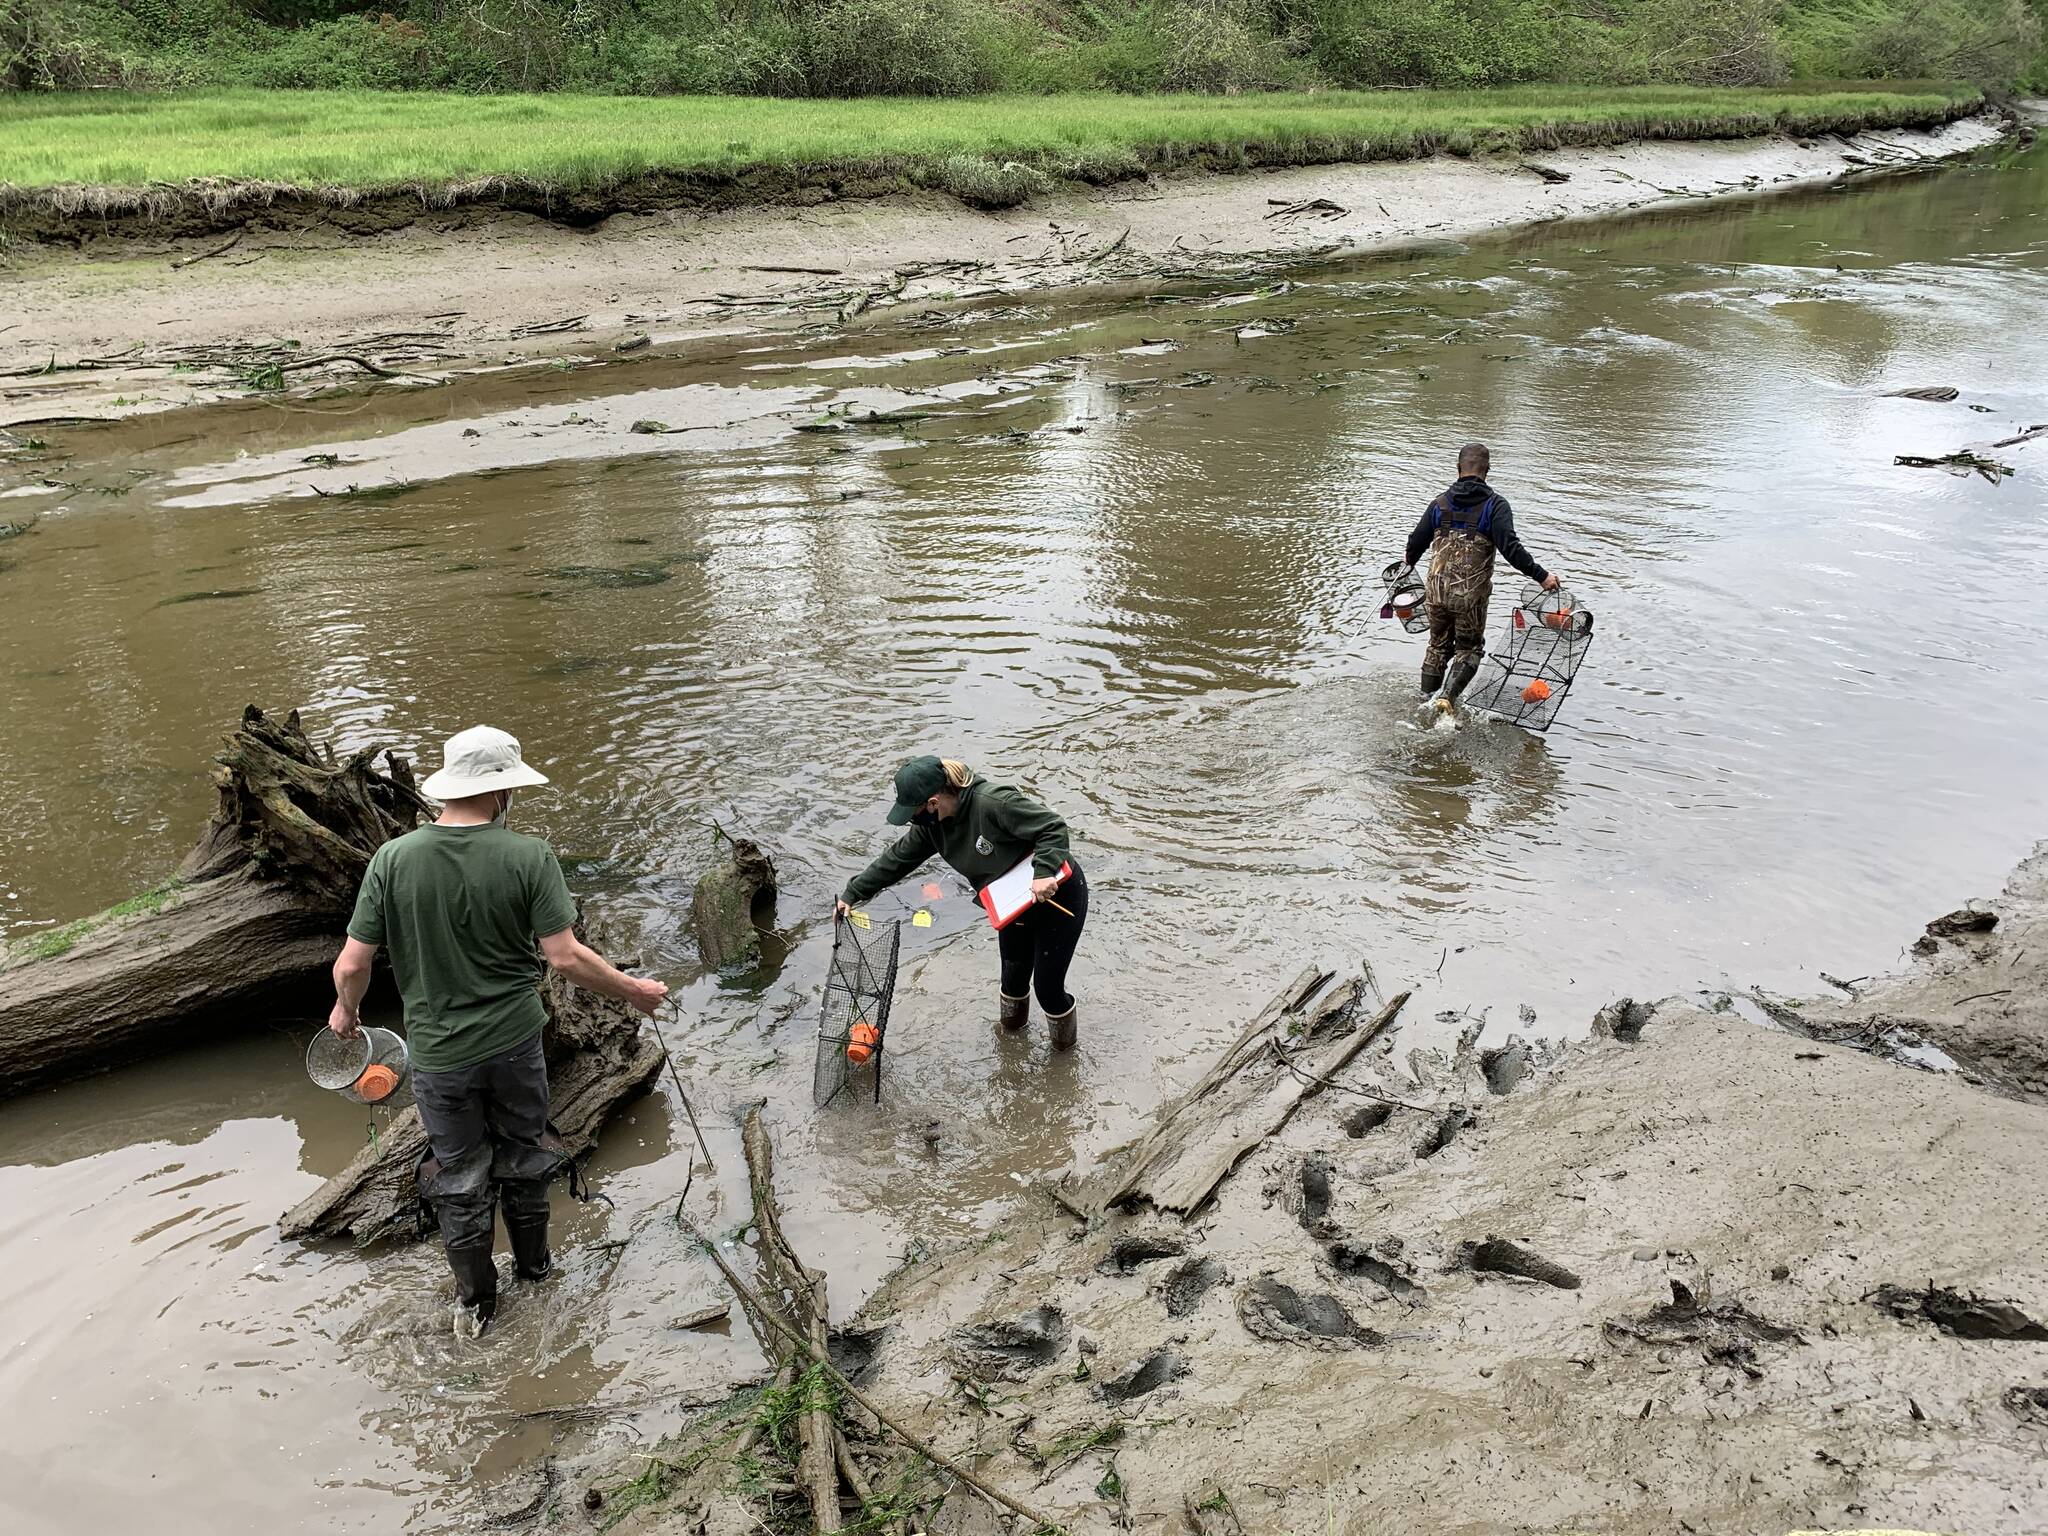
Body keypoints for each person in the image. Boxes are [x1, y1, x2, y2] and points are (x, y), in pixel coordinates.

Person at [327, 725, 667, 1339]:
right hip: (513, 1044)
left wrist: (345, 1013)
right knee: (526, 1153)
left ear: (450, 789)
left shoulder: (393, 859)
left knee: (457, 1173)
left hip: (438, 1054)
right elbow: (565, 958)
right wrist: (636, 991)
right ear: (503, 791)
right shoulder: (528, 856)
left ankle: (476, 1302)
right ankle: (536, 1271)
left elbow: (353, 964)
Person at [837, 756, 1087, 1050]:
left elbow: (1052, 827)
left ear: (932, 803)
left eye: (912, 813)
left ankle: (1063, 1059)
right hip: (1012, 905)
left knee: (1048, 989)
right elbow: (897, 859)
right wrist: (852, 894)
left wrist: (1044, 872)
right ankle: (1011, 1049)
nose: (910, 820)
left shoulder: (994, 803)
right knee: (1012, 981)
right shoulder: (932, 827)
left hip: (1056, 898)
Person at [1401, 442, 1561, 707]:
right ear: (1487, 470)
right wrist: (1542, 576)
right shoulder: (1495, 506)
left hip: (1436, 593)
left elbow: (1415, 543)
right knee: (1469, 648)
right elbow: (1511, 548)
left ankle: (1424, 700)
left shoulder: (1438, 504)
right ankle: (1447, 698)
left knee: (1437, 646)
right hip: (1469, 597)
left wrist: (1409, 561)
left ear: (1457, 468)